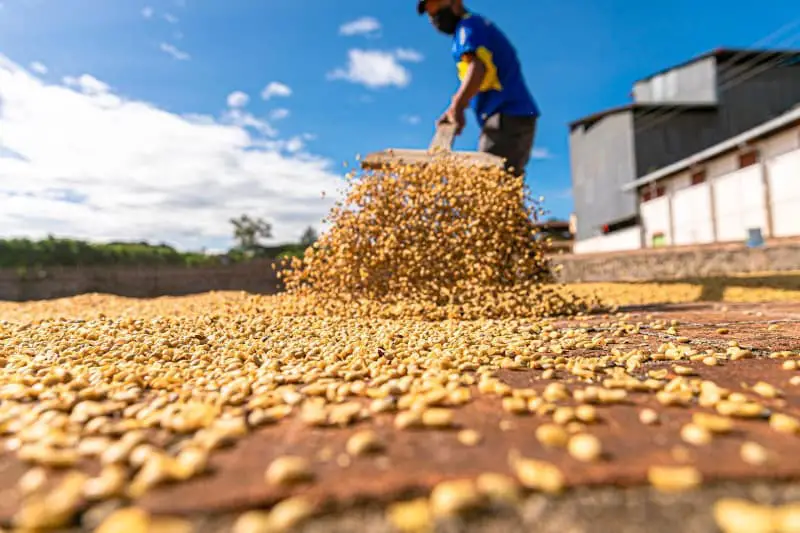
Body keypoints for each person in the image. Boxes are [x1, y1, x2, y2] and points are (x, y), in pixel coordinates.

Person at [417, 0, 540, 178]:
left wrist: (458, 105)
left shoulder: (468, 27)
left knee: (488, 180)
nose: (433, 16)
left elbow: (478, 69)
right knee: (502, 183)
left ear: (456, 3)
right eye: (430, 12)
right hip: (512, 117)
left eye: (437, 7)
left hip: (507, 115)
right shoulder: (476, 27)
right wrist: (456, 107)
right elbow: (480, 80)